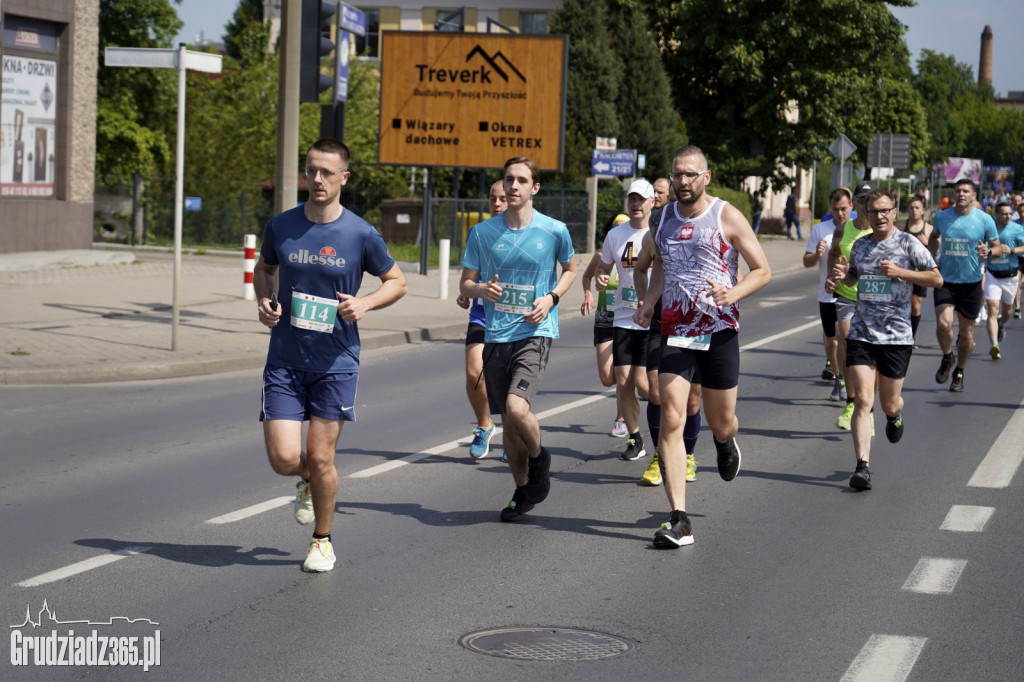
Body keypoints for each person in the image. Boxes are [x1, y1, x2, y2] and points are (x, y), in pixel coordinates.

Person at [254, 138, 408, 572]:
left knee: (322, 457)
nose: (316, 179)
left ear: (344, 177)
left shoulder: (361, 233)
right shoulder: (281, 226)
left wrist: (366, 304)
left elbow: (396, 281)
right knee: (285, 459)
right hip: (285, 357)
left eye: (326, 172)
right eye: (311, 171)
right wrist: (264, 301)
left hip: (336, 361)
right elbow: (265, 270)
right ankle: (307, 480)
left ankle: (321, 541)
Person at [634, 145, 771, 548]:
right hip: (676, 331)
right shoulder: (662, 221)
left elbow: (763, 270)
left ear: (706, 177)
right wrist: (649, 301)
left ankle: (725, 442)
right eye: (677, 174)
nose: (683, 181)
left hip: (719, 331)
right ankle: (679, 519)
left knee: (720, 419)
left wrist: (733, 293)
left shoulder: (725, 215)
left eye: (691, 174)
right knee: (671, 416)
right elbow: (659, 265)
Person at [460, 156, 577, 522]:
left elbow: (571, 269)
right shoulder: (483, 232)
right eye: (508, 180)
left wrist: (551, 298)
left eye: (521, 181)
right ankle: (524, 490)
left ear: (534, 188)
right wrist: (480, 288)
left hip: (535, 330)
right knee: (509, 427)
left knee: (516, 408)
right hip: (496, 334)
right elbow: (465, 283)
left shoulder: (554, 230)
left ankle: (541, 458)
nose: (513, 187)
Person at [826, 190, 942, 490]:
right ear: (865, 212)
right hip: (863, 332)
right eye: (873, 211)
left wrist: (901, 272)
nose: (878, 216)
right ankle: (862, 467)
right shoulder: (861, 245)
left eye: (884, 211)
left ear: (894, 212)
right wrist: (841, 276)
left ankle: (894, 416)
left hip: (896, 336)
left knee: (889, 403)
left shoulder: (908, 243)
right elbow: (854, 276)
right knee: (863, 399)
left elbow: (936, 278)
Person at [596, 180, 657, 462]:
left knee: (645, 385)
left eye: (641, 199)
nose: (635, 204)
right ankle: (636, 439)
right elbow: (604, 266)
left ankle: (669, 426)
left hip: (651, 319)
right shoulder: (615, 235)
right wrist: (600, 276)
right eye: (631, 199)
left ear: (652, 202)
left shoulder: (659, 233)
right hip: (623, 316)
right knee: (623, 382)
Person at [928, 178, 1000, 392]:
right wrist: (932, 256)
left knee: (967, 333)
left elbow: (996, 247)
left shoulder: (985, 220)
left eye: (965, 191)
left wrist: (989, 252)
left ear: (973, 196)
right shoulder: (942, 217)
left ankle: (959, 370)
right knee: (943, 323)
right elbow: (934, 236)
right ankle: (948, 356)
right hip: (946, 280)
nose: (961, 194)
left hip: (971, 283)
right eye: (958, 190)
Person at [457, 180, 506, 459]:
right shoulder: (478, 232)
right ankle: (485, 425)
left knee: (508, 379)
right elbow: (469, 276)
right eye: (492, 199)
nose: (497, 204)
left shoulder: (528, 232)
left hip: (514, 318)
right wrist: (467, 292)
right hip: (482, 314)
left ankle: (512, 431)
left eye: (502, 199)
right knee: (475, 372)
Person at [827, 181, 875, 430]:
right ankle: (851, 401)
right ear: (854, 203)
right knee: (846, 340)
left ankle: (870, 409)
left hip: (875, 299)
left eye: (869, 199)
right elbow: (834, 254)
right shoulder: (842, 229)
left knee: (873, 355)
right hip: (847, 296)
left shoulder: (882, 231)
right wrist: (830, 278)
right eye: (861, 199)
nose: (865, 204)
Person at [580, 214, 630, 437]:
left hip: (627, 319)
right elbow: (586, 276)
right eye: (615, 227)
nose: (619, 231)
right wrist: (588, 294)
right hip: (604, 319)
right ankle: (630, 390)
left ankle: (622, 418)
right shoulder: (601, 256)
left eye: (624, 227)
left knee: (621, 374)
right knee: (607, 377)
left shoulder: (635, 255)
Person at [804, 187, 852, 401]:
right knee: (832, 340)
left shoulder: (856, 228)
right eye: (836, 209)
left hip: (848, 292)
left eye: (844, 208)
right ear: (830, 209)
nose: (840, 213)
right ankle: (839, 376)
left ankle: (846, 378)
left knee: (843, 336)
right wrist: (817, 254)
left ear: (851, 207)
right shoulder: (820, 229)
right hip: (827, 293)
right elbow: (806, 261)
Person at [983, 201, 1024, 359]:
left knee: (1007, 311)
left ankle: (1001, 323)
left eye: (1009, 213)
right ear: (996, 215)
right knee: (992, 309)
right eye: (1004, 213)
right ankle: (994, 345)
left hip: (1010, 276)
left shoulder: (1016, 229)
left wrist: (1012, 250)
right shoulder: (990, 228)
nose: (1008, 216)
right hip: (992, 274)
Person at [898, 195, 933, 341]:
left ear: (923, 210)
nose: (914, 211)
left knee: (916, 305)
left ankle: (911, 336)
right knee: (900, 304)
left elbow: (936, 252)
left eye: (917, 208)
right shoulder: (900, 226)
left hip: (919, 272)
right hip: (901, 271)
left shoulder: (929, 229)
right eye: (911, 208)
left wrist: (927, 244)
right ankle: (900, 333)